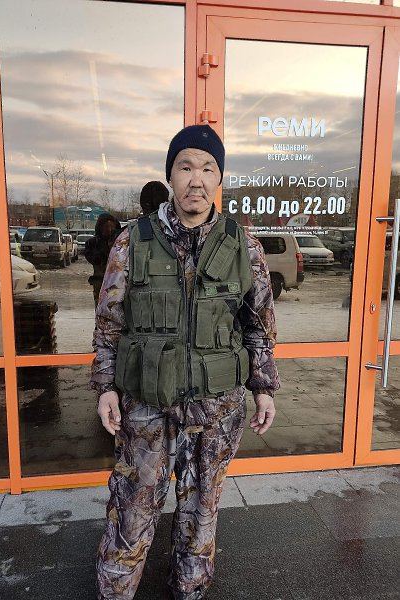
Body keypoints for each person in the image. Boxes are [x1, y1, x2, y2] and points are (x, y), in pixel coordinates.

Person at [91, 124, 279, 600]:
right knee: (132, 512)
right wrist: (106, 386)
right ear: (170, 176)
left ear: (220, 178)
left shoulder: (244, 247)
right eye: (186, 167)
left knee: (201, 513)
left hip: (217, 408)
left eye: (208, 168)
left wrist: (263, 388)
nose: (197, 179)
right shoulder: (132, 242)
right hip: (147, 407)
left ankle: (189, 591)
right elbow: (109, 322)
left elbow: (259, 325)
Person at [85, 214, 121, 307]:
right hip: (100, 282)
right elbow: (93, 259)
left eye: (112, 227)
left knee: (112, 306)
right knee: (100, 306)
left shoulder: (120, 243)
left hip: (115, 282)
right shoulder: (92, 243)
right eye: (106, 227)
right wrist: (106, 249)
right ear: (100, 228)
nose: (109, 230)